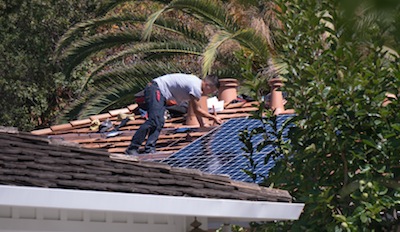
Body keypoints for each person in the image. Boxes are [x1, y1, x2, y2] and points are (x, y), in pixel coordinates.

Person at [125, 73, 222, 155]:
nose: (209, 94)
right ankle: (132, 148)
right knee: (154, 120)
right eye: (211, 91)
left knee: (159, 121)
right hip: (156, 89)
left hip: (157, 90)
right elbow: (197, 110)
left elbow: (195, 110)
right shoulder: (196, 87)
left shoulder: (195, 83)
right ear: (208, 85)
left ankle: (149, 149)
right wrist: (213, 117)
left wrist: (202, 126)